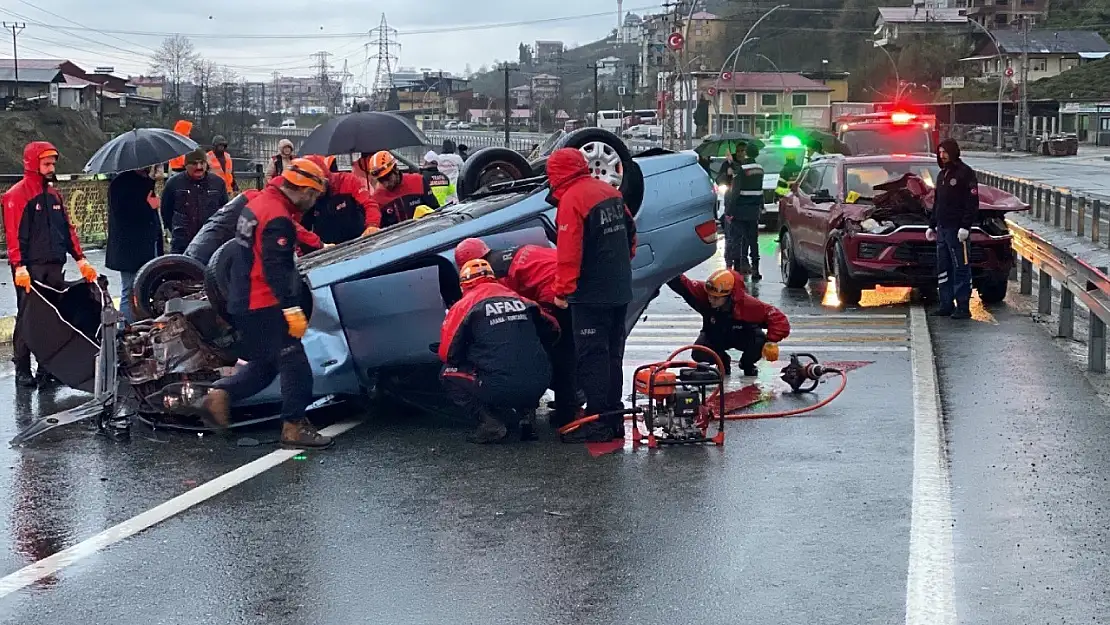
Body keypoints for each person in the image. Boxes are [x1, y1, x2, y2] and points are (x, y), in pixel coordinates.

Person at [202, 158, 332, 448]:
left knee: (265, 365)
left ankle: (220, 395)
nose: (311, 203)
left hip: (243, 299)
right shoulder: (277, 218)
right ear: (301, 189)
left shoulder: (257, 205)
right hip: (265, 302)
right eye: (312, 195)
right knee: (294, 362)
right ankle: (294, 426)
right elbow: (278, 269)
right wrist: (291, 307)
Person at [548, 147, 636, 442]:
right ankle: (613, 417)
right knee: (613, 355)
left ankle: (597, 423)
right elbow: (631, 232)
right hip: (619, 289)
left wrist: (562, 292)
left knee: (592, 358)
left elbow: (569, 253)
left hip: (590, 295)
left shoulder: (572, 200)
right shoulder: (608, 191)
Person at [454, 238, 580, 429]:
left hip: (559, 292)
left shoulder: (496, 275)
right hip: (572, 280)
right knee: (564, 347)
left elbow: (509, 311)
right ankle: (571, 400)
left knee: (558, 351)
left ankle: (568, 410)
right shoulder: (509, 254)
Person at [2, 142, 99, 388]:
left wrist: (81, 259)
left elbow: (67, 230)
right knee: (28, 318)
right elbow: (13, 234)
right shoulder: (17, 195)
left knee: (53, 318)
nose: (51, 167)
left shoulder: (53, 195)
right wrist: (19, 265)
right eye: (46, 163)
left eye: (53, 163)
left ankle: (47, 369)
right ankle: (23, 367)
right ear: (33, 164)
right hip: (30, 267)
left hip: (54, 264)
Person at [438, 258, 558, 444]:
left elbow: (448, 354)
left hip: (499, 385)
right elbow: (554, 329)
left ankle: (490, 423)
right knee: (528, 360)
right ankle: (526, 415)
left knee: (447, 373)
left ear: (464, 284)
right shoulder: (523, 300)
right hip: (541, 380)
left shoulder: (465, 305)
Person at [667, 269, 790, 376]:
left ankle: (747, 364)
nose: (711, 300)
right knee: (699, 352)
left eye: (716, 298)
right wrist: (664, 271)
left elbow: (778, 318)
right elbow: (682, 284)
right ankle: (722, 360)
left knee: (759, 341)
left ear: (730, 296)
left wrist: (771, 341)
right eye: (709, 296)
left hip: (744, 337)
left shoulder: (749, 305)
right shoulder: (702, 294)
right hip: (714, 337)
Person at [927, 139, 978, 320]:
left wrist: (965, 226)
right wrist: (932, 224)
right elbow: (937, 202)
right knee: (944, 268)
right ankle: (945, 304)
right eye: (940, 152)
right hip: (942, 228)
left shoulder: (965, 173)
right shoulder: (942, 175)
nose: (942, 155)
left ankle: (963, 306)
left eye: (945, 152)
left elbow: (971, 203)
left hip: (958, 230)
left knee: (960, 268)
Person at [105, 166, 163, 325]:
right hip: (130, 249)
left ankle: (142, 326)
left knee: (144, 289)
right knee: (129, 291)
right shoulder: (121, 183)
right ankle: (125, 329)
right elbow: (125, 213)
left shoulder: (143, 180)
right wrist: (149, 205)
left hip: (147, 245)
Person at [299, 154, 381, 243]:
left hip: (359, 239)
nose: (315, 193)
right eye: (311, 190)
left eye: (317, 187)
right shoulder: (305, 197)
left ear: (325, 179)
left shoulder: (348, 180)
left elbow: (369, 203)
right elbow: (299, 227)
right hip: (329, 248)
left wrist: (372, 225)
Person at [161, 148, 230, 253]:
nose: (199, 167)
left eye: (202, 163)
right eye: (194, 164)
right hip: (182, 243)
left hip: (209, 241)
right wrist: (177, 229)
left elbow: (224, 211)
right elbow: (166, 211)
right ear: (186, 165)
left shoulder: (217, 183)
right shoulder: (174, 183)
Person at [364, 151, 440, 227]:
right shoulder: (377, 198)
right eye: (381, 180)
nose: (386, 183)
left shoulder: (418, 181)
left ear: (396, 169)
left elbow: (436, 210)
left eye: (387, 177)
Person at [725, 142, 764, 280]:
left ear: (746, 152)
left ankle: (737, 268)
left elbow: (735, 192)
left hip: (740, 210)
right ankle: (755, 269)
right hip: (754, 210)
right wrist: (761, 206)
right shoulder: (760, 168)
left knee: (737, 239)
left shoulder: (742, 169)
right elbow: (760, 190)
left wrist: (729, 211)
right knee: (753, 240)